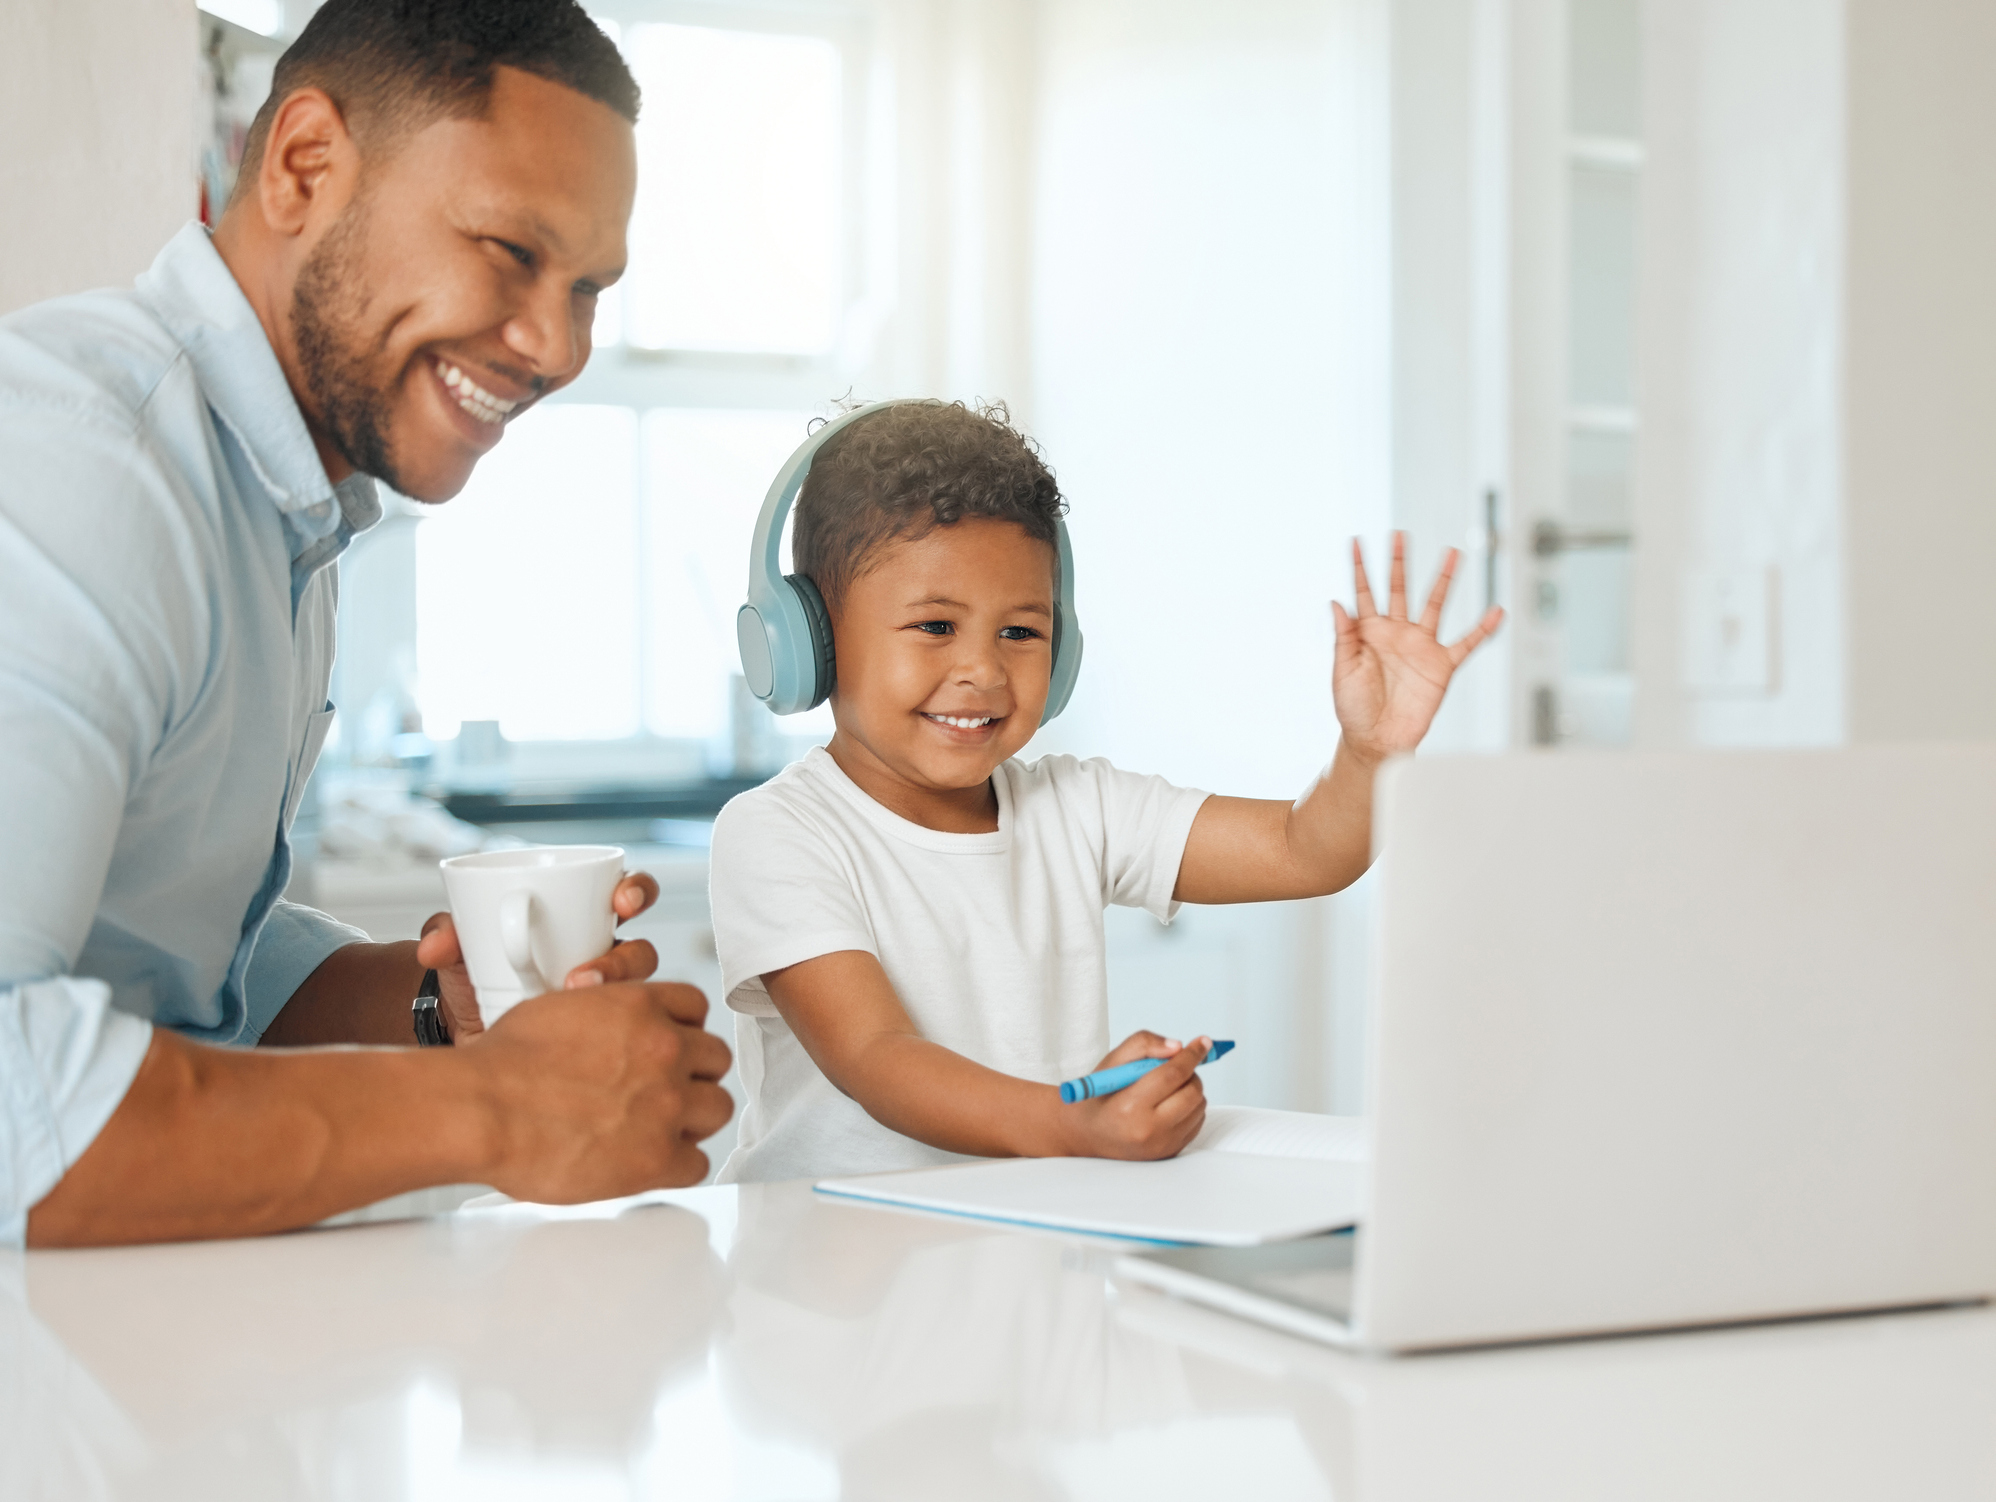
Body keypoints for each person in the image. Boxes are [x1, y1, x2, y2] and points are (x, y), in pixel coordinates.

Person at [0, 0, 732, 1249]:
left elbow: (167, 965)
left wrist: (430, 1004)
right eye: (508, 247)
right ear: (303, 167)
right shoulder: (82, 471)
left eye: (589, 289)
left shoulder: (289, 505)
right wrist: (493, 1107)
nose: (556, 347)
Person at [707, 400, 1502, 1182]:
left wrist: (1368, 754)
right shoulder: (779, 833)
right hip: (831, 1273)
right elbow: (876, 1059)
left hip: (1023, 1251)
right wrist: (1073, 1122)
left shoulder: (1075, 808)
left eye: (1021, 632)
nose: (983, 670)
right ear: (813, 639)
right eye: (935, 627)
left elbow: (1305, 851)